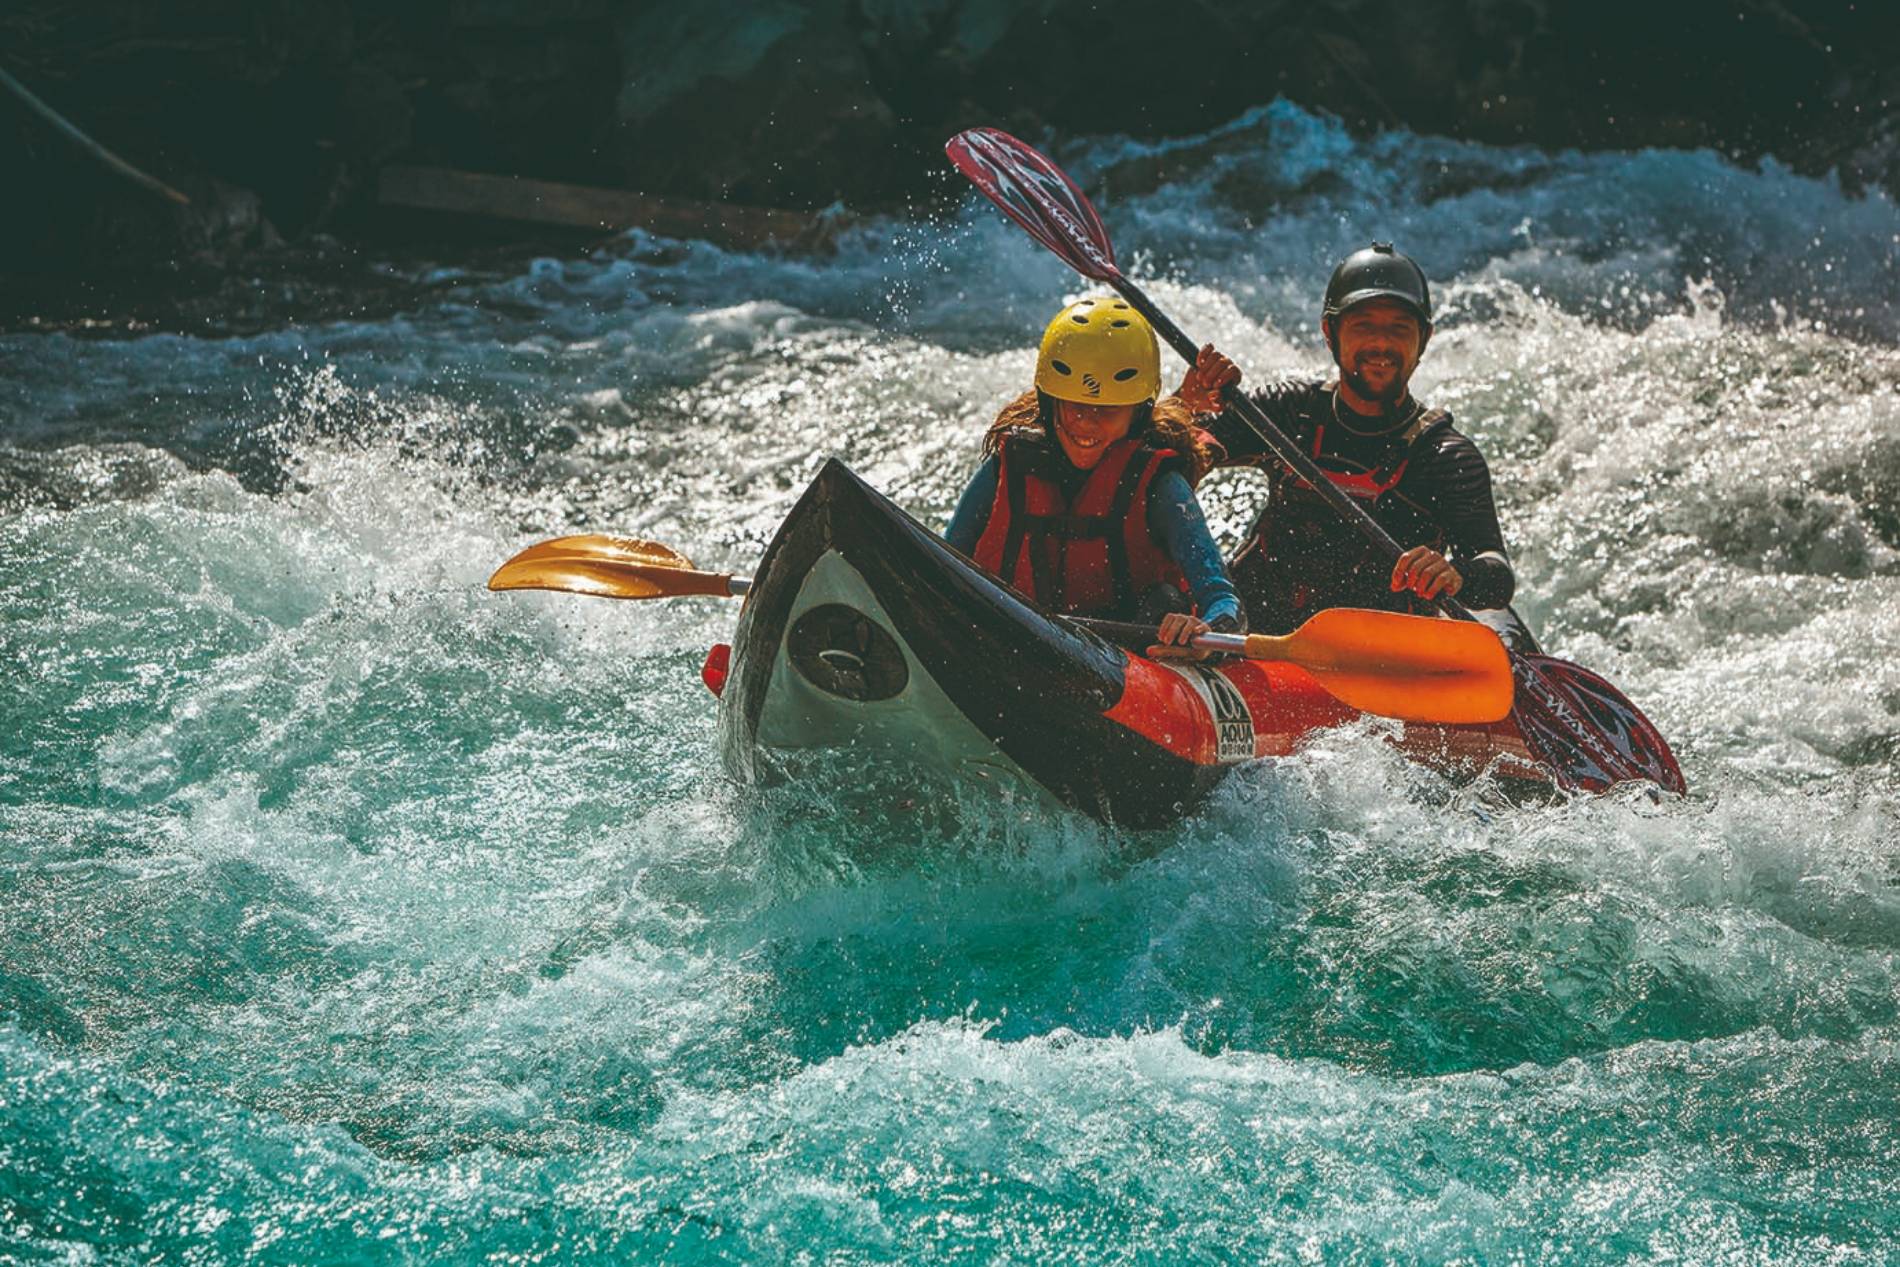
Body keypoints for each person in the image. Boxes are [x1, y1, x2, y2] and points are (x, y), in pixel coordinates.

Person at [1175, 242, 1531, 644]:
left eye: (1399, 328)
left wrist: (1456, 574)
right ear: (1330, 332)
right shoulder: (1287, 412)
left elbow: (1496, 573)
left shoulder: (1444, 457)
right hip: (1255, 640)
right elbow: (1166, 460)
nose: (1381, 344)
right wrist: (1184, 405)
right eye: (1363, 326)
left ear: (1424, 339)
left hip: (1375, 661)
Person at [945, 297, 1244, 660]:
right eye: (1074, 403)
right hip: (1013, 639)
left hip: (1129, 659)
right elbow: (946, 562)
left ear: (1138, 411)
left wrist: (1205, 633)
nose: (1087, 421)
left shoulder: (1161, 487)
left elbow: (1223, 599)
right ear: (1049, 398)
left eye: (1109, 408)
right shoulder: (1005, 469)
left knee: (1166, 602)